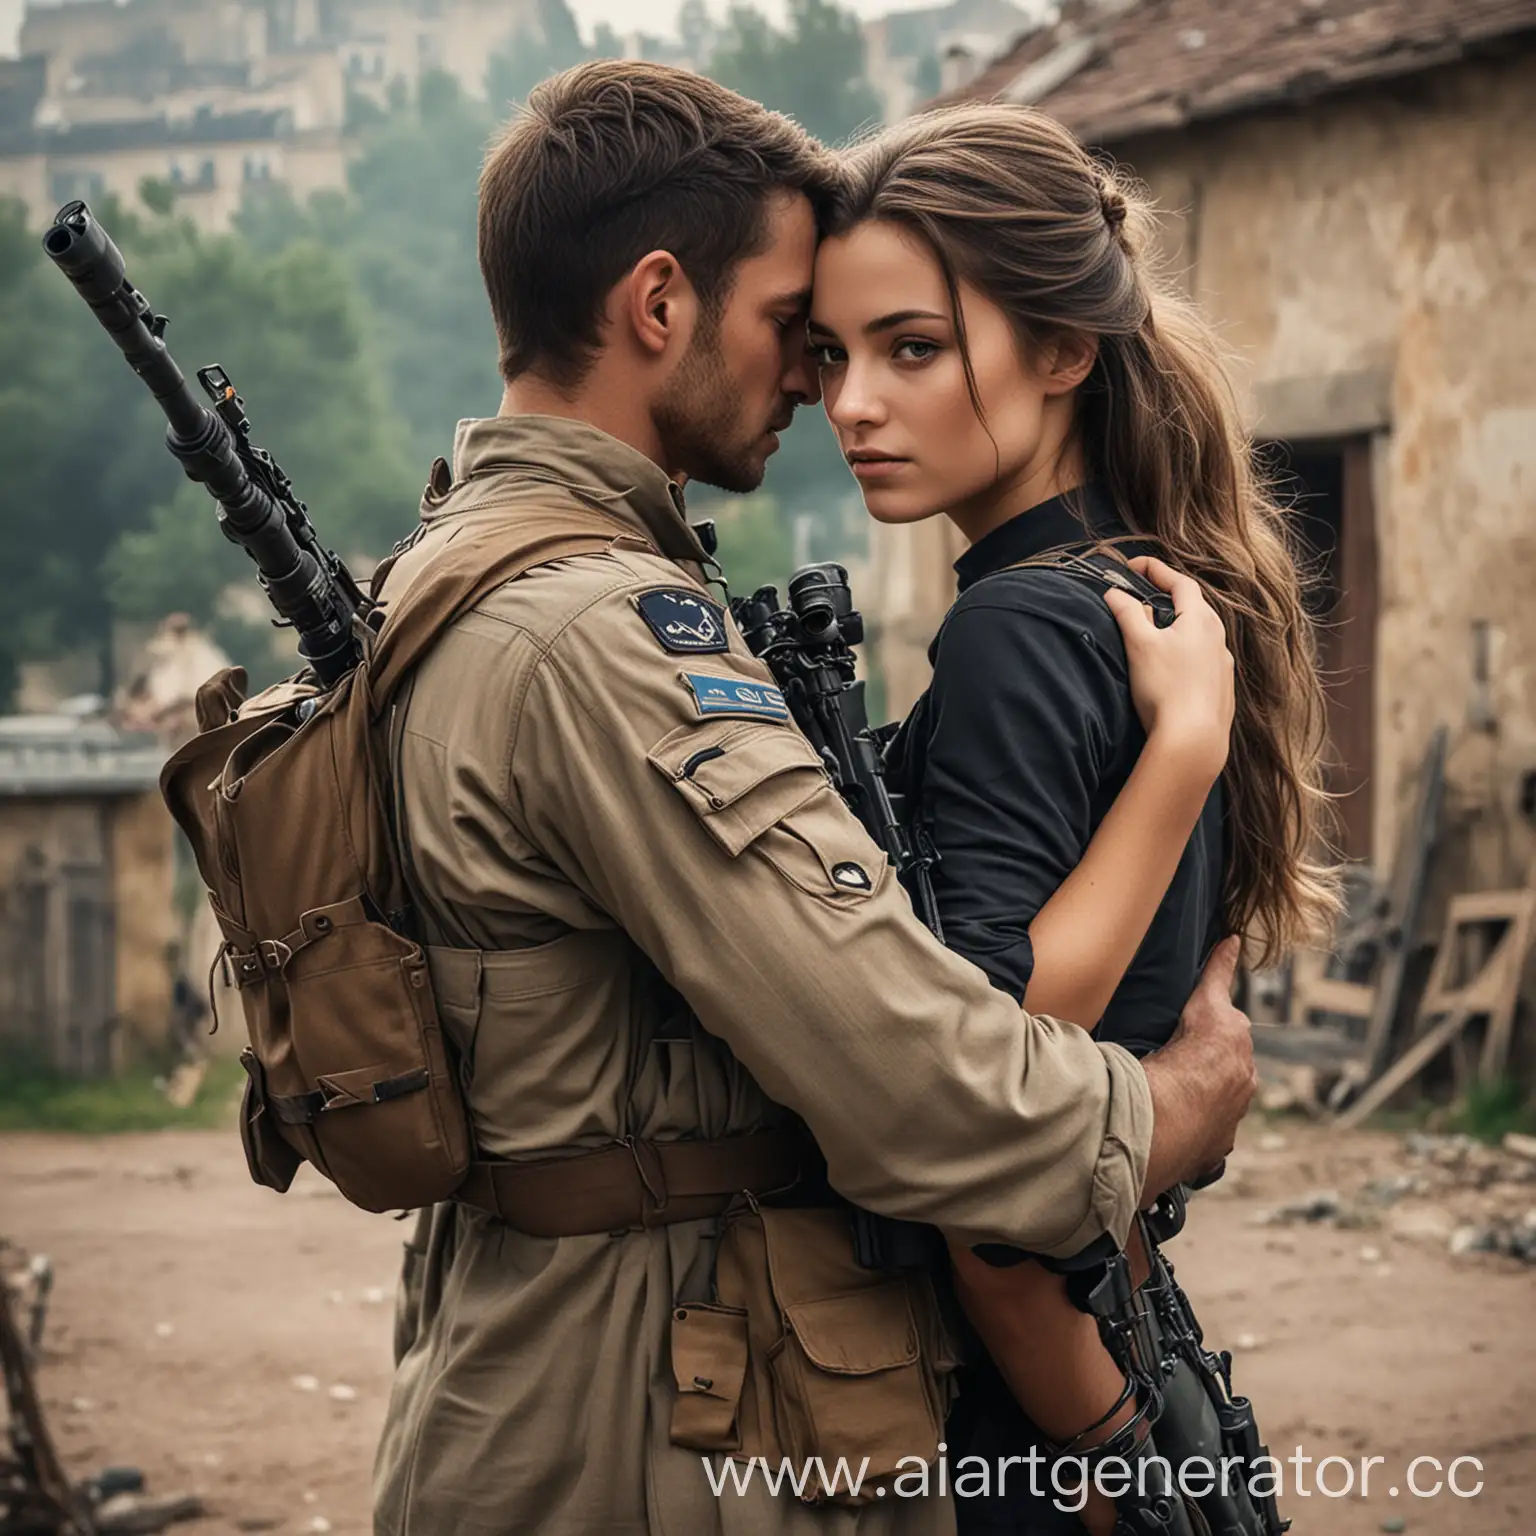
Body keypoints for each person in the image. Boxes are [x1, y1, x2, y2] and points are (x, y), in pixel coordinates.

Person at [372, 64, 1257, 1536]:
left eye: (901, 346)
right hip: (643, 1429)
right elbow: (929, 1090)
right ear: (660, 306)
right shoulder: (599, 632)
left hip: (574, 1382)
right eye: (804, 333)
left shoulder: (455, 569)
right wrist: (1171, 1111)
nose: (825, 391)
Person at [808, 105, 1339, 1533]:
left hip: (1036, 1397)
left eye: (912, 348)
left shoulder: (1024, 627)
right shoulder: (1147, 588)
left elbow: (994, 1053)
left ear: (1059, 351)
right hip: (1112, 1331)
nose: (853, 401)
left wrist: (1105, 1464)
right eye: (833, 354)